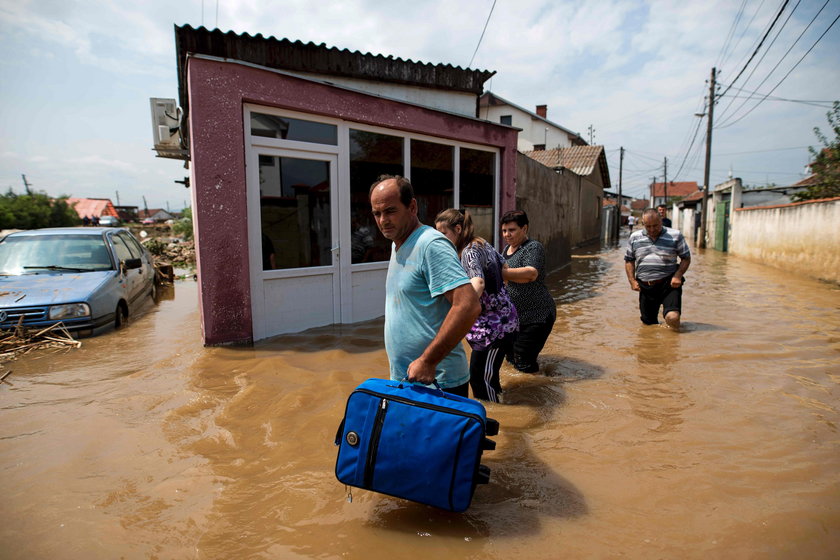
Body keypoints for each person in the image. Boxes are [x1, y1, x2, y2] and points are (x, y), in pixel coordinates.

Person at [370, 175, 480, 397]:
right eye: (377, 214)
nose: (383, 220)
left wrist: (428, 360)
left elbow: (468, 306)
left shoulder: (430, 245)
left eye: (390, 211)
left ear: (412, 207)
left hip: (438, 382)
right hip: (410, 378)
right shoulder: (397, 244)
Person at [435, 208, 519, 402]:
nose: (440, 240)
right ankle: (502, 404)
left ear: (457, 229)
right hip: (503, 322)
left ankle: (494, 419)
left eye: (443, 234)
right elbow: (504, 267)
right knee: (489, 376)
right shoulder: (482, 243)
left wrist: (460, 308)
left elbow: (478, 283)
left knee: (480, 380)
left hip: (494, 329)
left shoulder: (468, 252)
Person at [500, 210, 556, 374]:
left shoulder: (533, 248)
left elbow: (531, 274)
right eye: (504, 231)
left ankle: (534, 391)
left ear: (524, 228)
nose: (507, 235)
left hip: (537, 316)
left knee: (523, 362)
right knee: (510, 358)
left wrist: (500, 273)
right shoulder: (506, 251)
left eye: (512, 230)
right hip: (516, 318)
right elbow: (512, 279)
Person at [625, 208, 691, 329]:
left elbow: (686, 258)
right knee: (648, 325)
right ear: (643, 224)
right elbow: (629, 260)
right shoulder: (635, 237)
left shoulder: (675, 235)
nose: (652, 230)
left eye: (655, 225)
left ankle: (673, 342)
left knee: (672, 317)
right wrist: (632, 281)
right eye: (648, 226)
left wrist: (678, 275)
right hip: (645, 286)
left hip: (669, 284)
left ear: (661, 220)